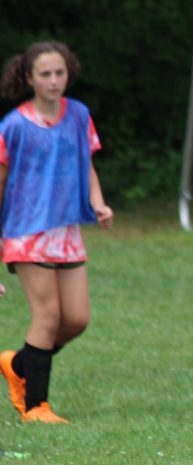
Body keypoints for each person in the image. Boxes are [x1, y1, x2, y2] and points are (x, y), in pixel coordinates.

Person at [0, 41, 113, 423]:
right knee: (47, 315)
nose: (53, 81)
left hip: (66, 231)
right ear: (28, 77)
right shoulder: (13, 126)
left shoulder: (79, 115)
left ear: (69, 73)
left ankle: (18, 365)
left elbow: (87, 164)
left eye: (59, 73)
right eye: (45, 74)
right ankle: (35, 407)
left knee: (76, 319)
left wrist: (97, 202)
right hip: (25, 231)